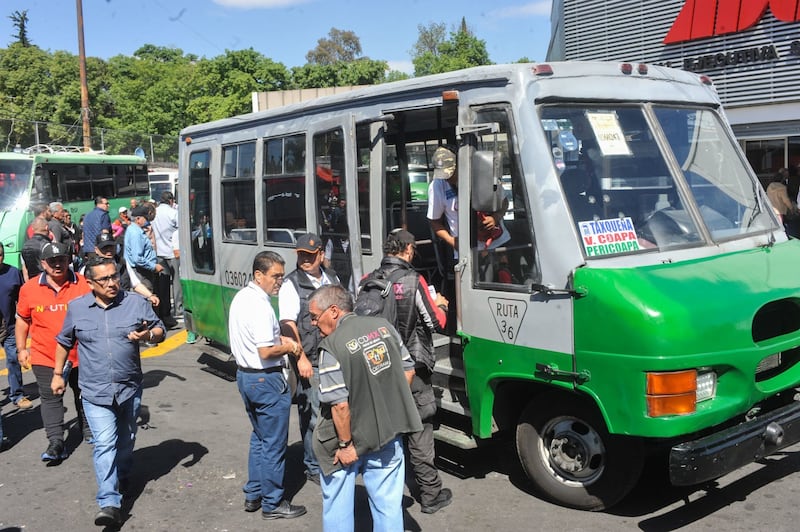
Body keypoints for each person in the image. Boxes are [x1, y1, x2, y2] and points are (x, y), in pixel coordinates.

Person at [51, 256, 164, 527]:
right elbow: (64, 341)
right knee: (104, 444)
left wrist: (148, 336)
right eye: (104, 279)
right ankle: (109, 502)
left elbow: (160, 329)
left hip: (129, 388)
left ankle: (123, 472)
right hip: (94, 390)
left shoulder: (135, 302)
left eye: (114, 276)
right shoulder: (77, 308)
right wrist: (57, 375)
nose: (112, 283)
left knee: (125, 441)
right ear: (90, 283)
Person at [309, 284, 422, 531]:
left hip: (345, 441)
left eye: (315, 317)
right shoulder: (384, 327)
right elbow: (409, 371)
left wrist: (346, 445)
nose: (313, 324)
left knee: (337, 505)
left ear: (334, 311)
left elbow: (339, 405)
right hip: (387, 435)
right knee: (388, 507)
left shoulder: (332, 346)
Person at [368, 229, 453, 513]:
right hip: (413, 368)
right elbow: (435, 322)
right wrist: (440, 303)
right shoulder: (413, 280)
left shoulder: (369, 281)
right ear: (407, 250)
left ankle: (387, 498)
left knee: (389, 431)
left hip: (380, 367)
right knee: (420, 429)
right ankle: (430, 494)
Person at [228, 251, 307, 520]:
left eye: (282, 277)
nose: (279, 282)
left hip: (246, 377)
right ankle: (272, 503)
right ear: (258, 275)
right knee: (274, 444)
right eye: (275, 276)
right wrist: (290, 346)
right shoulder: (260, 306)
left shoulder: (242, 298)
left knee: (260, 438)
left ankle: (254, 493)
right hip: (266, 380)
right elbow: (266, 351)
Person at [16, 242, 92, 462]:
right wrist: (22, 349)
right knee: (51, 398)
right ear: (43, 264)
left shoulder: (83, 283)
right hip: (44, 355)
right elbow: (22, 320)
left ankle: (87, 428)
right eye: (52, 261)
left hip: (82, 354)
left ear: (69, 260)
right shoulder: (29, 289)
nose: (58, 265)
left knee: (84, 393)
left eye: (62, 260)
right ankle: (56, 442)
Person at [279, 233, 340, 485]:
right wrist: (300, 357)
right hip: (310, 359)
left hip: (333, 355)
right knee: (313, 416)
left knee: (333, 409)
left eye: (310, 255)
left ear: (321, 256)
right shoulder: (291, 284)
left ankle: (328, 456)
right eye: (301, 254)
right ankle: (313, 465)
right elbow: (287, 324)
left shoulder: (332, 279)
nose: (304, 259)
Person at [125, 205, 174, 328]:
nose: (148, 220)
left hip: (144, 270)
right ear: (138, 219)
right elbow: (137, 258)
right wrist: (153, 266)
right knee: (147, 299)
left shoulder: (134, 230)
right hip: (142, 271)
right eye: (145, 218)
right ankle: (150, 329)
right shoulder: (136, 233)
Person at [0, 244, 30, 409]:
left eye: (0, 254)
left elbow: (23, 298)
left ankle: (17, 395)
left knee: (13, 360)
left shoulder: (12, 273)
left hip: (10, 326)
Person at [152, 191, 181, 324]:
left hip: (159, 252)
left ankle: (165, 310)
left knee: (163, 283)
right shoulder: (173, 213)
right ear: (171, 201)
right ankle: (179, 308)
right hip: (173, 251)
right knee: (176, 282)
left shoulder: (155, 213)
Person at [766, 169, 798, 234]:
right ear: (782, 179)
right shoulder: (782, 188)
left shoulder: (769, 186)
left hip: (771, 209)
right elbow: (785, 200)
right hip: (779, 210)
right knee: (781, 227)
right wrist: (791, 208)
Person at [20, 217, 51, 281]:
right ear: (46, 227)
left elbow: (25, 269)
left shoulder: (25, 246)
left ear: (33, 228)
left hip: (32, 282)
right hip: (46, 281)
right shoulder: (46, 245)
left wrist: (28, 284)